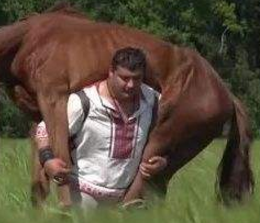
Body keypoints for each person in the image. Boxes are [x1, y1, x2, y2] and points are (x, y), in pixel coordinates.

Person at [34, 47, 167, 209]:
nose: (131, 85)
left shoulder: (153, 101)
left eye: (136, 79)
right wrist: (48, 160)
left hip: (128, 201)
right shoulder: (84, 101)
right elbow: (44, 130)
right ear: (111, 72)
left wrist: (162, 162)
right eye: (124, 78)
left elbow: (164, 136)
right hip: (82, 198)